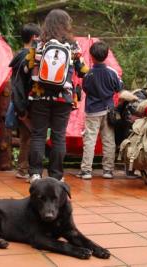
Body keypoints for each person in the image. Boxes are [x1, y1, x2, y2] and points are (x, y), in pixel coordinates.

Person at [25, 9, 89, 183]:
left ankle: (35, 174)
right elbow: (83, 71)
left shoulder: (38, 43)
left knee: (38, 135)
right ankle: (56, 176)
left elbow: (27, 66)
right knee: (58, 136)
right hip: (64, 97)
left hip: (39, 96)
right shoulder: (73, 45)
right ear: (66, 24)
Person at [79, 41, 123, 180]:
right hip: (109, 110)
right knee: (109, 140)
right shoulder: (112, 72)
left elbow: (85, 89)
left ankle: (86, 171)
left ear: (91, 56)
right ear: (106, 55)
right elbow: (119, 88)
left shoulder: (88, 74)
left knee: (90, 140)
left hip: (92, 111)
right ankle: (108, 170)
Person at [9, 23, 41, 180]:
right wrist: (22, 110)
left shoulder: (18, 54)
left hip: (20, 103)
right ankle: (27, 169)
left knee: (25, 137)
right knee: (32, 136)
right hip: (26, 104)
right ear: (35, 37)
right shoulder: (28, 57)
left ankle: (22, 168)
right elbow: (22, 85)